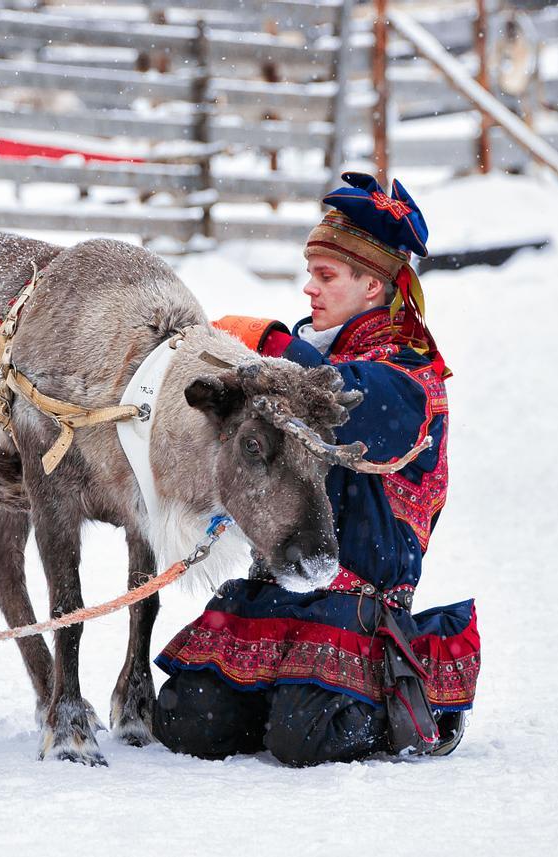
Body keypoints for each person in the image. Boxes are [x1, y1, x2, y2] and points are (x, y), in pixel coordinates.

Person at [152, 172, 480, 766]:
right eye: (310, 272)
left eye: (326, 276)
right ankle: (280, 695)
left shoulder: (409, 379)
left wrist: (267, 342)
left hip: (358, 605)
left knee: (306, 740)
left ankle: (420, 697)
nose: (309, 289)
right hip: (282, 582)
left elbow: (337, 396)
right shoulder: (301, 363)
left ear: (374, 287)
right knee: (185, 723)